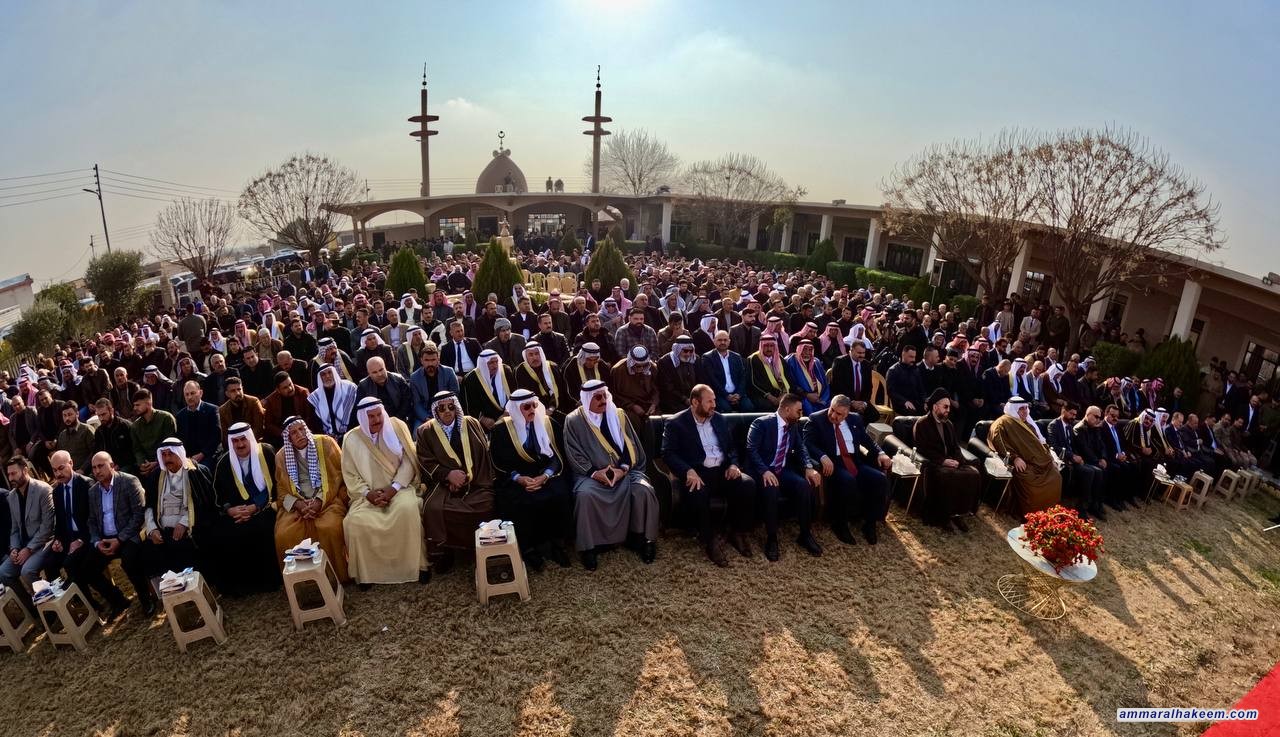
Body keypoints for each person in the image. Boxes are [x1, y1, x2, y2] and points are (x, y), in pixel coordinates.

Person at [562, 380, 660, 571]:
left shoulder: (619, 415)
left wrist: (622, 469)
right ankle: (590, 548)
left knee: (643, 490)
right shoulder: (573, 420)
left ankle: (643, 540)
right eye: (597, 397)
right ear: (587, 399)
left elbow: (631, 446)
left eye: (605, 395)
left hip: (624, 471)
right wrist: (594, 473)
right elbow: (573, 452)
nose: (603, 400)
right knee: (585, 495)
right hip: (590, 475)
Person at [662, 384, 756, 566]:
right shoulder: (676, 423)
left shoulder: (719, 419)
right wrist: (687, 471)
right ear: (695, 402)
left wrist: (734, 465)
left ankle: (737, 531)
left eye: (714, 400)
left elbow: (731, 448)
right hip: (698, 473)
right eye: (709, 401)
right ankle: (709, 540)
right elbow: (668, 453)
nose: (714, 405)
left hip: (722, 470)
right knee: (697, 492)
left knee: (748, 484)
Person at [341, 397, 426, 586]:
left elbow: (410, 460)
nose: (377, 420)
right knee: (354, 522)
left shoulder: (396, 426)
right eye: (371, 417)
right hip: (367, 496)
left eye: (379, 414)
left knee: (408, 510)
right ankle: (367, 575)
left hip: (400, 489)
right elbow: (350, 474)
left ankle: (417, 567)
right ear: (363, 418)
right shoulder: (351, 439)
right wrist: (367, 494)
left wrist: (394, 488)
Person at [490, 389, 572, 570]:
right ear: (515, 409)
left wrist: (545, 475)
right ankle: (528, 549)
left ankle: (557, 545)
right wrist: (518, 478)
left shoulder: (548, 423)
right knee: (517, 501)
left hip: (544, 474)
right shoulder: (501, 430)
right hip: (517, 477)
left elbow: (557, 456)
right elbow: (498, 462)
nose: (532, 410)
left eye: (534, 405)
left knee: (560, 494)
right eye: (526, 407)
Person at [416, 391, 495, 574]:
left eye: (451, 406)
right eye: (441, 408)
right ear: (435, 411)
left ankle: (479, 547)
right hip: (443, 485)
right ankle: (447, 551)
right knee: (435, 509)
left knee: (485, 505)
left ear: (456, 407)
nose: (447, 411)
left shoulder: (471, 423)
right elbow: (425, 462)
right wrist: (448, 476)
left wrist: (467, 477)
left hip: (476, 481)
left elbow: (483, 455)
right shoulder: (425, 431)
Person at [804, 394, 893, 544]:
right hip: (834, 463)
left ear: (847, 414)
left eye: (839, 414)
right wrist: (822, 456)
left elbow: (867, 440)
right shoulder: (816, 419)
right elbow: (807, 443)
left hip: (854, 461)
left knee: (879, 479)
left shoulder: (855, 419)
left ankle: (870, 523)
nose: (833, 415)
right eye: (832, 410)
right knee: (848, 480)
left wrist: (881, 453)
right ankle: (840, 524)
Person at [745, 393, 824, 561]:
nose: (801, 414)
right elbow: (751, 449)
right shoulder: (761, 423)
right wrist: (764, 471)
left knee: (803, 485)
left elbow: (801, 448)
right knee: (771, 488)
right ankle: (771, 538)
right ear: (787, 409)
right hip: (763, 470)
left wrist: (809, 467)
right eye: (798, 411)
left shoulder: (793, 425)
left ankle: (805, 534)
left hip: (782, 469)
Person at [273, 417, 350, 583]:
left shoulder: (326, 444)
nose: (299, 434)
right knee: (285, 534)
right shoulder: (281, 456)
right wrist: (299, 504)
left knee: (330, 527)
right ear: (288, 438)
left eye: (301, 429)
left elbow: (337, 476)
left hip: (328, 499)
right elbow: (281, 489)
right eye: (294, 433)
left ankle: (338, 577)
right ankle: (304, 582)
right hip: (298, 505)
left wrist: (319, 501)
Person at [208, 422, 281, 596]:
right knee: (223, 534)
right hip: (237, 512)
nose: (240, 444)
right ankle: (242, 586)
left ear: (250, 438)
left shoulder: (266, 452)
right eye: (235, 441)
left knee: (263, 528)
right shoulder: (224, 462)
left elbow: (278, 483)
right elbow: (218, 495)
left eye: (243, 439)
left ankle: (269, 581)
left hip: (266, 506)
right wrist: (230, 510)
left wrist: (256, 506)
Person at [83, 452, 155, 616]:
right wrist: (97, 542)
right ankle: (118, 601)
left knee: (130, 561)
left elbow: (138, 515)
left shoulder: (129, 481)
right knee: (88, 568)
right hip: (105, 539)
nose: (97, 471)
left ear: (112, 465)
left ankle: (146, 599)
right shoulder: (93, 492)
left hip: (128, 535)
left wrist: (120, 539)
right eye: (94, 468)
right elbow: (91, 521)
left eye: (101, 466)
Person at [910, 389, 982, 531]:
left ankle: (959, 513)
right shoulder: (922, 423)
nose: (948, 410)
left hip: (950, 462)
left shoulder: (948, 424)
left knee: (973, 473)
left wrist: (958, 461)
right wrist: (942, 461)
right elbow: (922, 449)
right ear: (935, 407)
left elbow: (956, 447)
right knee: (947, 476)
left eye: (949, 407)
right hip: (933, 464)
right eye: (945, 407)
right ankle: (944, 516)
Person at [47, 451, 107, 615]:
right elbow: (60, 521)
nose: (58, 474)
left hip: (88, 535)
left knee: (71, 563)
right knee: (50, 563)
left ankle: (91, 605)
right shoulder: (57, 491)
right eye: (54, 470)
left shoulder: (86, 484)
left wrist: (81, 540)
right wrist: (58, 539)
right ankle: (77, 602)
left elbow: (95, 519)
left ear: (71, 463)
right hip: (70, 537)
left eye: (61, 468)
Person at [143, 438, 212, 582]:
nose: (167, 459)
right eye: (164, 455)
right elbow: (149, 506)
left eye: (171, 454)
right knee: (147, 551)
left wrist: (184, 523)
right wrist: (152, 529)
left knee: (182, 547)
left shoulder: (195, 472)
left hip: (190, 529)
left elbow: (203, 503)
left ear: (180, 453)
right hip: (162, 531)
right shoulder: (156, 475)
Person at [987, 397, 1063, 514]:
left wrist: (1051, 458)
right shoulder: (1002, 423)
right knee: (1029, 479)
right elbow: (999, 443)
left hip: (1042, 462)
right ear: (1013, 409)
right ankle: (1032, 515)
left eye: (1026, 408)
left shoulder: (1028, 424)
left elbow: (1041, 443)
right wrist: (1015, 458)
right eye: (1021, 409)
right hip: (1025, 463)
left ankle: (1049, 515)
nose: (1025, 411)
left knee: (1056, 476)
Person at [1, 456, 55, 617]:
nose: (11, 478)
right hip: (23, 546)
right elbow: (14, 529)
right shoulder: (11, 497)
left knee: (27, 571)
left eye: (14, 473)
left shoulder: (43, 489)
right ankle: (34, 610)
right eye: (9, 474)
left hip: (45, 542)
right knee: (3, 572)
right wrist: (14, 548)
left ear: (25, 470)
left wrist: (29, 549)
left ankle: (51, 609)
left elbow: (47, 527)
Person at [1047, 402, 1105, 521]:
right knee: (1089, 472)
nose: (1073, 417)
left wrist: (1078, 456)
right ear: (1063, 411)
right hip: (1062, 460)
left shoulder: (1069, 426)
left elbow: (1073, 445)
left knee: (1098, 471)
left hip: (1073, 459)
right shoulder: (1054, 425)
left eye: (1075, 415)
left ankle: (1093, 505)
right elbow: (1053, 446)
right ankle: (1080, 509)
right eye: (1071, 414)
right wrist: (1072, 456)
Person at [700, 330, 753, 413]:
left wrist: (738, 394)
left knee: (749, 407)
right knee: (725, 409)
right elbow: (713, 380)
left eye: (725, 340)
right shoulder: (708, 358)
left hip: (737, 394)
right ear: (714, 341)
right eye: (720, 340)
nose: (723, 342)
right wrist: (727, 396)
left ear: (729, 341)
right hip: (719, 394)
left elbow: (743, 377)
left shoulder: (736, 357)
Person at [409, 341, 461, 428]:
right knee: (417, 432)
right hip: (426, 413)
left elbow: (455, 396)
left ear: (438, 360)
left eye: (433, 360)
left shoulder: (449, 372)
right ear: (421, 361)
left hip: (447, 411)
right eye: (426, 360)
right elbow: (416, 404)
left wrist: (444, 414)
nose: (430, 364)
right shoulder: (414, 378)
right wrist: (427, 418)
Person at [461, 349, 514, 430]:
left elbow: (514, 393)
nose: (495, 366)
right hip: (487, 423)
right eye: (491, 363)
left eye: (496, 362)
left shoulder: (506, 371)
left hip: (508, 416)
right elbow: (468, 405)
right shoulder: (471, 379)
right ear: (483, 364)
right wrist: (481, 418)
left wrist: (508, 410)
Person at [609, 345, 659, 430]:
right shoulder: (618, 370)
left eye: (644, 365)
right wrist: (632, 406)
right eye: (638, 366)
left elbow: (656, 390)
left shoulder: (652, 368)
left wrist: (654, 404)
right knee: (633, 421)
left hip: (648, 404)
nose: (642, 368)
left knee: (656, 421)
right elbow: (614, 394)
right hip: (626, 406)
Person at [514, 341, 570, 415]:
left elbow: (561, 390)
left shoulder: (552, 367)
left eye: (537, 353)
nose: (535, 357)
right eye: (531, 355)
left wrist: (552, 408)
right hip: (534, 412)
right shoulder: (520, 371)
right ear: (526, 357)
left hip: (557, 408)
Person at [355, 356, 413, 426]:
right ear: (369, 373)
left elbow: (407, 402)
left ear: (385, 368)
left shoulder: (398, 379)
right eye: (374, 372)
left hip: (400, 420)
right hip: (376, 424)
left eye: (381, 370)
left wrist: (395, 420)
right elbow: (361, 410)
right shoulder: (363, 386)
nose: (379, 374)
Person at [175, 380, 221, 467]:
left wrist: (202, 454)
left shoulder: (212, 410)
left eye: (192, 393)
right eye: (187, 394)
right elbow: (180, 439)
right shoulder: (180, 416)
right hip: (188, 457)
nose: (189, 397)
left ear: (200, 393)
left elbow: (216, 436)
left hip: (209, 454)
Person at [263, 372, 318, 440]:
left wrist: (300, 431)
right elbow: (268, 424)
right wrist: (283, 433)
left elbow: (309, 416)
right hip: (282, 435)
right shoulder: (272, 400)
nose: (290, 388)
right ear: (278, 390)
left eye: (290, 384)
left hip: (302, 431)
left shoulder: (303, 393)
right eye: (285, 387)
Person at [309, 364, 358, 438]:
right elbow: (316, 422)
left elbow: (356, 413)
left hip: (352, 433)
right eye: (323, 374)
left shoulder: (350, 388)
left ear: (334, 373)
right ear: (320, 378)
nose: (327, 376)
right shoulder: (315, 397)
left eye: (330, 372)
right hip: (329, 437)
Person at [783, 339, 830, 414]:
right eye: (804, 349)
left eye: (810, 350)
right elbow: (790, 384)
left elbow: (824, 383)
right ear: (799, 349)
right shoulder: (790, 361)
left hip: (819, 397)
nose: (807, 353)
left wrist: (822, 398)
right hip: (801, 396)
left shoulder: (816, 362)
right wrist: (807, 395)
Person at [656, 337, 700, 414]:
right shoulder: (665, 362)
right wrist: (684, 399)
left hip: (693, 398)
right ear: (677, 349)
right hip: (673, 400)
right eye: (685, 351)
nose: (688, 354)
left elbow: (700, 381)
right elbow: (667, 387)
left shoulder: (696, 359)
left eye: (691, 351)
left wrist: (695, 397)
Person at [55, 402, 95, 472]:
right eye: (64, 415)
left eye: (70, 415)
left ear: (77, 414)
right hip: (70, 473)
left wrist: (82, 469)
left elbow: (94, 452)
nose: (67, 418)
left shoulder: (87, 430)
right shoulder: (62, 435)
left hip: (87, 472)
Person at [886, 345, 925, 416]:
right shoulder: (893, 370)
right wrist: (904, 401)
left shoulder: (915, 370)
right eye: (911, 357)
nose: (913, 360)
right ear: (903, 355)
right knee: (912, 413)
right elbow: (891, 391)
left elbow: (921, 389)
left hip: (915, 402)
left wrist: (924, 402)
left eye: (914, 357)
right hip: (900, 403)